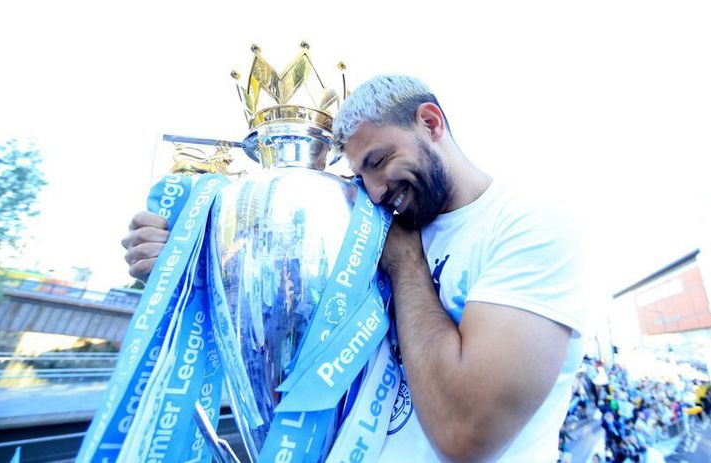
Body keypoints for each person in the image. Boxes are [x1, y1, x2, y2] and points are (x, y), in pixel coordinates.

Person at [123, 75, 586, 462]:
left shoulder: (529, 226)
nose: (377, 191)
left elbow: (466, 433)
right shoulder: (378, 227)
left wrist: (407, 267)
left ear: (430, 122)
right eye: (361, 177)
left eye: (380, 162)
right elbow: (281, 313)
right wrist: (189, 269)